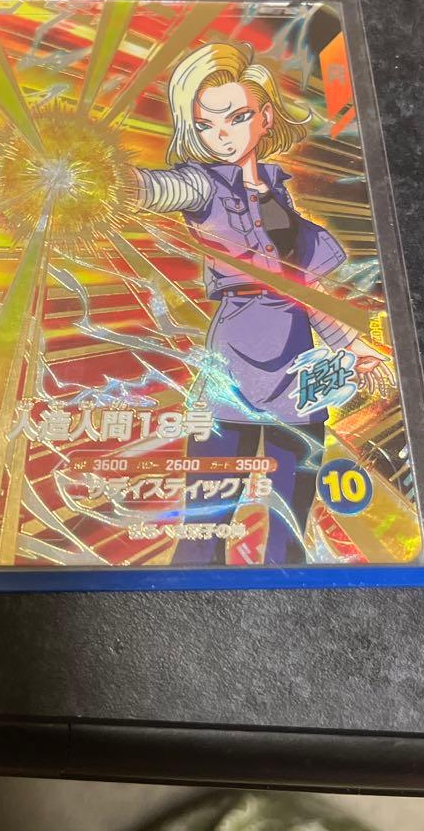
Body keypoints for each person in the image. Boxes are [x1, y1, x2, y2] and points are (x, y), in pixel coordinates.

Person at [130, 42, 393, 564]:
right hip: (236, 359)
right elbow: (157, 188)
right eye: (205, 124)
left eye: (236, 117)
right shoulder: (202, 184)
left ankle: (287, 598)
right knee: (205, 526)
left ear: (265, 116)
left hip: (299, 365)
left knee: (289, 528)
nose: (221, 135)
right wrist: (103, 179)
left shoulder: (279, 193)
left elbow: (305, 291)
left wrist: (354, 346)